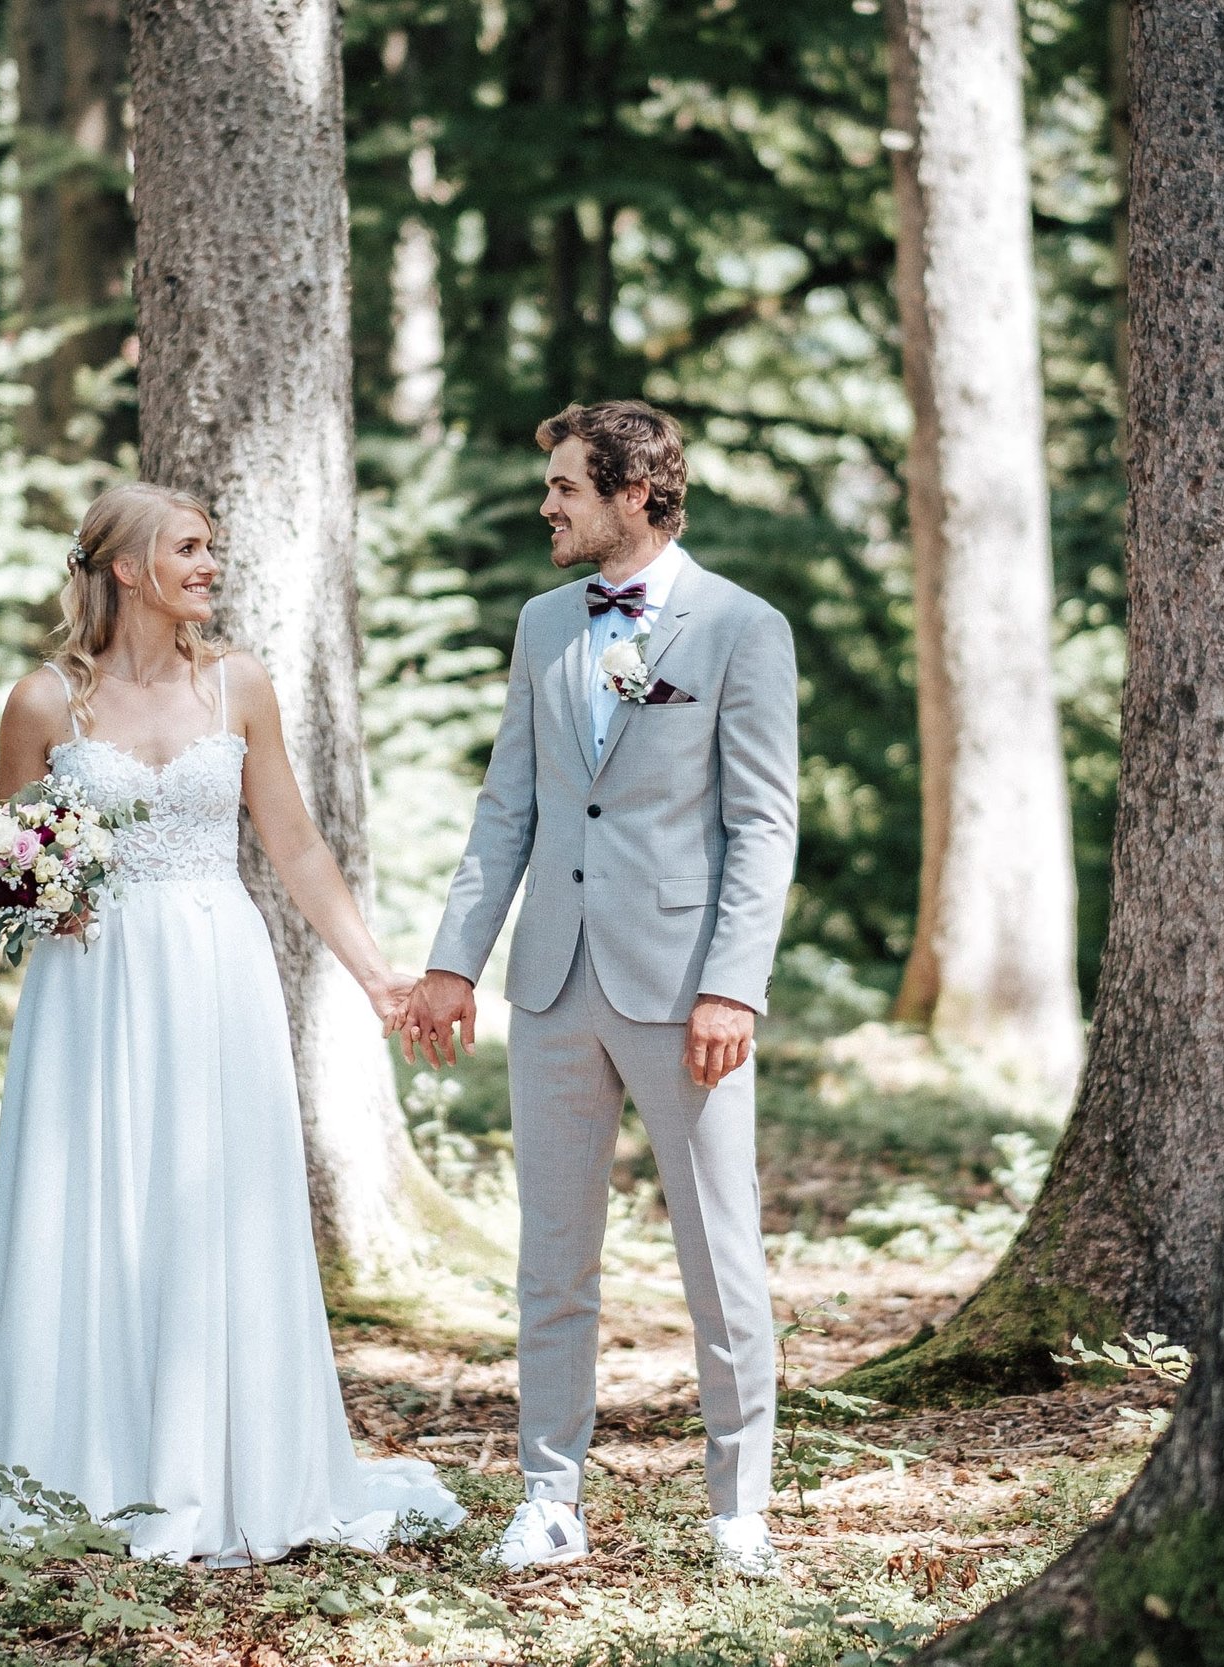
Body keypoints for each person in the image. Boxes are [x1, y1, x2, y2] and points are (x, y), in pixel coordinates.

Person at [0, 482, 463, 1565]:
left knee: (220, 1205)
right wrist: (42, 891)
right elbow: (6, 861)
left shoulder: (237, 686)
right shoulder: (43, 701)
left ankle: (230, 1465)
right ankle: (84, 1466)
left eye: (213, 548)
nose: (211, 565)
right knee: (94, 1204)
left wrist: (377, 975)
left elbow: (294, 844)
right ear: (124, 566)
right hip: (91, 985)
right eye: (190, 548)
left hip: (215, 971)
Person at [402, 400, 800, 1578]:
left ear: (634, 491)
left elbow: (762, 820)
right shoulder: (540, 624)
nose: (548, 506)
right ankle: (549, 1496)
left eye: (567, 486)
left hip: (686, 992)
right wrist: (452, 959)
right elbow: (509, 802)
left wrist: (734, 983)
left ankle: (740, 1507)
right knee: (551, 1253)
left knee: (720, 1256)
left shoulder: (741, 626)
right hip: (554, 982)